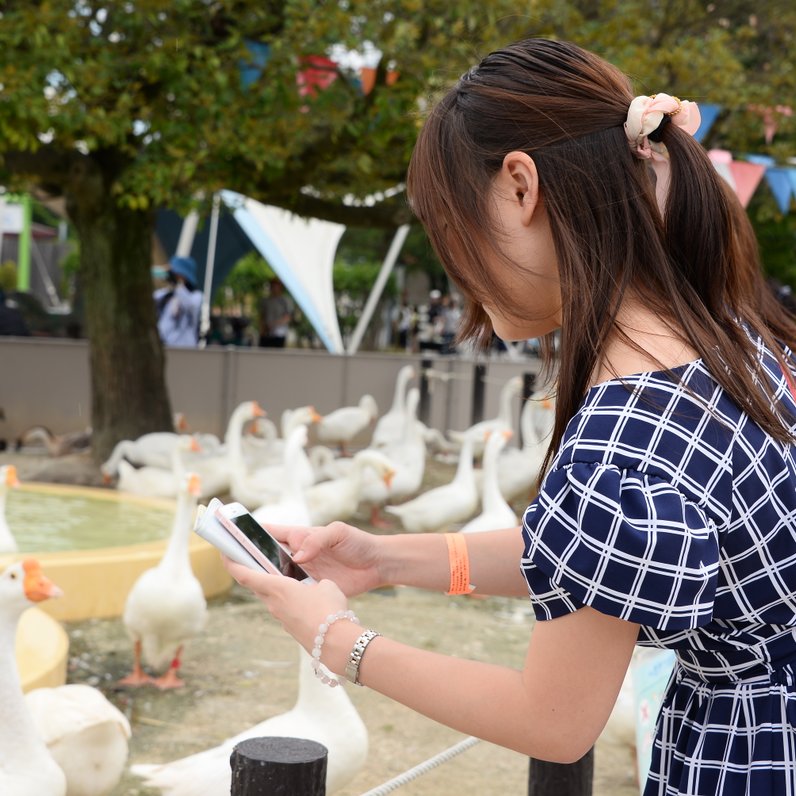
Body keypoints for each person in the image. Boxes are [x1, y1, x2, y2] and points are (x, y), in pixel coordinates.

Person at [221, 38, 796, 794]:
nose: (454, 265)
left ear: (521, 186)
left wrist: (336, 640)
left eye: (449, 227)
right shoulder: (736, 337)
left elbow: (553, 722)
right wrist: (388, 560)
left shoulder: (616, 446)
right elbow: (609, 560)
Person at [153, 255, 203, 347]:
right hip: (164, 346)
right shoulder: (165, 294)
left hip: (184, 349)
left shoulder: (196, 296)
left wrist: (177, 284)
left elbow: (190, 305)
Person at [258, 277, 293, 348]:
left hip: (279, 334)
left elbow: (287, 317)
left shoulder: (285, 300)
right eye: (272, 286)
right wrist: (263, 329)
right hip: (266, 334)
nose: (273, 288)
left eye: (276, 286)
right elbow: (262, 316)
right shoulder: (266, 301)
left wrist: (273, 325)